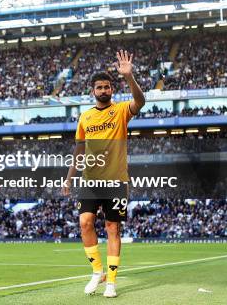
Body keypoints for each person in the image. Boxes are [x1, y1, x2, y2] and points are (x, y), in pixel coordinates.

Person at [63, 50, 145, 298]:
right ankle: (97, 271)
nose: (103, 90)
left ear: (112, 90)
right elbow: (79, 150)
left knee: (112, 228)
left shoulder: (121, 111)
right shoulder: (85, 117)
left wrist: (129, 77)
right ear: (93, 91)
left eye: (107, 87)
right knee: (85, 222)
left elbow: (140, 102)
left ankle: (111, 282)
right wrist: (69, 178)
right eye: (99, 87)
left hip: (117, 181)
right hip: (90, 180)